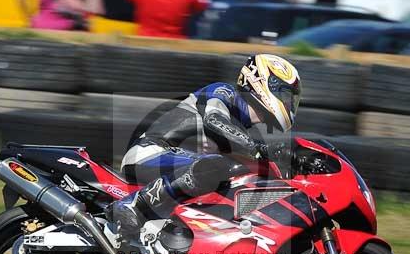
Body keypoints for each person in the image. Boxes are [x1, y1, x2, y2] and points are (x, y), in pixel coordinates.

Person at [107, 54, 302, 234]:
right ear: (263, 83)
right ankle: (134, 204)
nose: (288, 103)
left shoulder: (240, 128)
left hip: (178, 166)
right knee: (216, 165)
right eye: (285, 95)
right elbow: (213, 120)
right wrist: (258, 149)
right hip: (150, 152)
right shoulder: (224, 92)